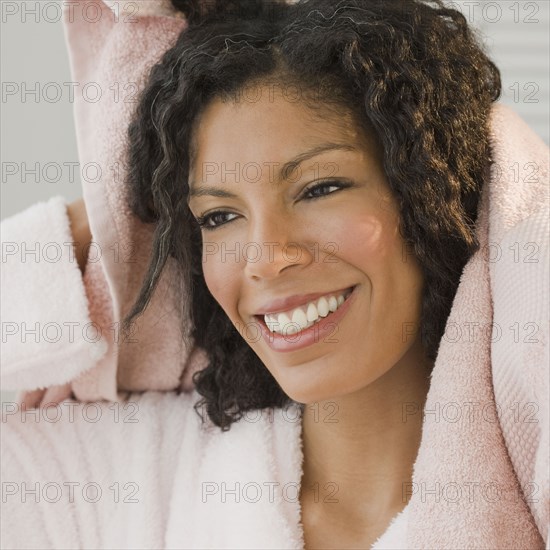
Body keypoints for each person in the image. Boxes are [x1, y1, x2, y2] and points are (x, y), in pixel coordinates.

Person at [2, 1, 548, 548]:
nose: (264, 257)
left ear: (431, 192)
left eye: (320, 188)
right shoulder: (135, 480)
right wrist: (111, 219)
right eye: (219, 216)